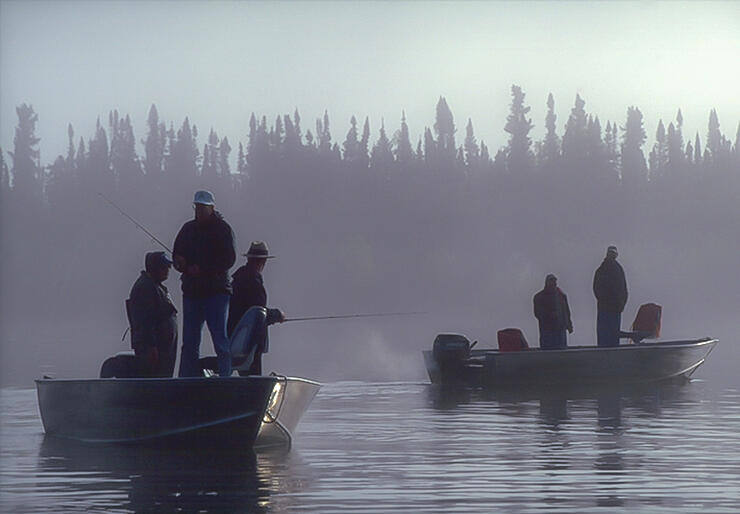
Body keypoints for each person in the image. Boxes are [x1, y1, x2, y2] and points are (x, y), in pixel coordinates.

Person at [173, 190, 236, 377]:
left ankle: (225, 377)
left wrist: (202, 269)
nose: (199, 210)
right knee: (190, 342)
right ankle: (186, 379)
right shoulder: (187, 229)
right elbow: (177, 253)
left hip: (217, 293)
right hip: (192, 293)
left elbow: (229, 259)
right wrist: (179, 263)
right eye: (197, 206)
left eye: (203, 207)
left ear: (212, 208)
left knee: (220, 340)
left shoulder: (223, 230)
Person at [227, 241, 285, 375]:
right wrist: (277, 315)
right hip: (250, 339)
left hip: (237, 334)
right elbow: (258, 313)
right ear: (263, 261)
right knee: (252, 374)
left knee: (243, 371)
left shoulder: (239, 278)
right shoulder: (253, 281)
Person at [126, 251, 178, 377]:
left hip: (164, 349)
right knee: (155, 383)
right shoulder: (145, 287)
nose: (167, 270)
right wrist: (151, 346)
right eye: (163, 267)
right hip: (154, 350)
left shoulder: (155, 286)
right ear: (154, 267)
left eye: (168, 267)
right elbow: (145, 321)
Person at [593, 245, 628, 347]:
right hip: (604, 309)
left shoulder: (619, 270)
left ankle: (613, 353)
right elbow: (596, 288)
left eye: (614, 254)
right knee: (604, 335)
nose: (612, 256)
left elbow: (624, 290)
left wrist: (621, 304)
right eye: (610, 253)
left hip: (616, 309)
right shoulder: (601, 270)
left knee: (614, 336)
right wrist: (604, 300)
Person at [533, 274, 573, 350]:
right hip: (547, 330)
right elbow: (537, 313)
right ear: (546, 283)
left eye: (554, 281)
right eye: (551, 281)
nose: (554, 283)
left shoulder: (562, 296)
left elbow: (567, 312)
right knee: (548, 351)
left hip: (561, 330)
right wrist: (549, 315)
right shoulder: (539, 297)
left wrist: (569, 325)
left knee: (561, 351)